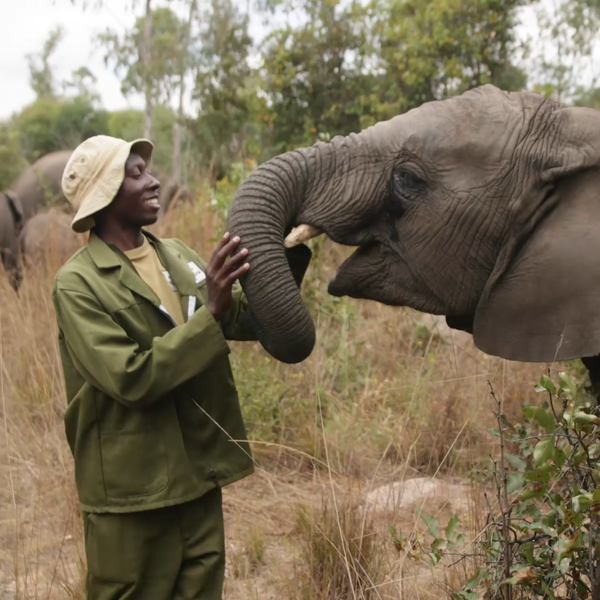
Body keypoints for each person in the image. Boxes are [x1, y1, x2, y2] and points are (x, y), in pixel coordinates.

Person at [52, 135, 272, 600]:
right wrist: (209, 312)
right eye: (136, 174)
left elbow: (241, 319)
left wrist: (281, 249)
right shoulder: (77, 284)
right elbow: (131, 377)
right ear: (107, 194)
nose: (154, 181)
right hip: (134, 494)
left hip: (198, 475)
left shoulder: (177, 256)